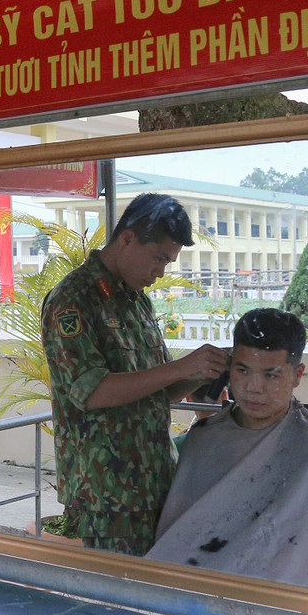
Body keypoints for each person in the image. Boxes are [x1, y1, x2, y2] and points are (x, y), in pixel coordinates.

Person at [41, 192, 229, 555]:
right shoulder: (73, 299)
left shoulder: (135, 300)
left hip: (153, 481)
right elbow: (91, 393)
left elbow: (158, 391)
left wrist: (203, 372)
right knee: (118, 601)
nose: (160, 272)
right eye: (159, 258)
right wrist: (180, 366)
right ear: (127, 238)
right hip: (107, 497)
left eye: (168, 262)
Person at [147, 308, 308, 593]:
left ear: (297, 375)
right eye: (243, 371)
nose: (254, 388)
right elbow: (177, 537)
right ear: (228, 369)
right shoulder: (203, 440)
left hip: (276, 598)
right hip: (193, 591)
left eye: (271, 375)